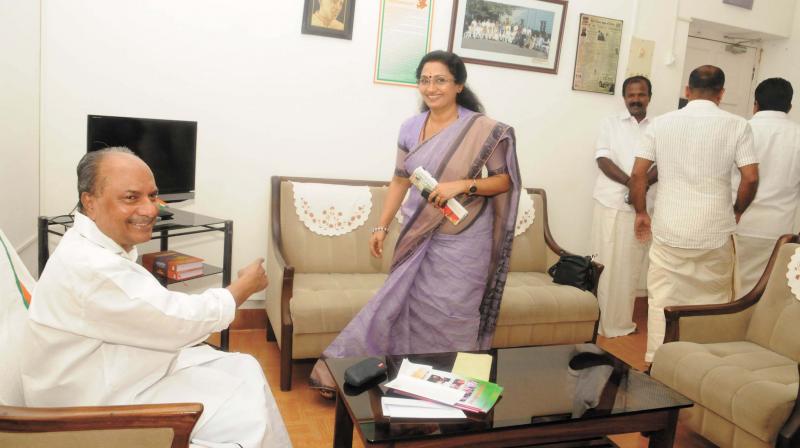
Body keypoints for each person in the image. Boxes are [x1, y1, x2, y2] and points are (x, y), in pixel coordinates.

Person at [21, 148, 292, 448]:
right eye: (131, 197)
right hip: (90, 409)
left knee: (245, 368)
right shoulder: (93, 267)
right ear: (90, 202)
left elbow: (157, 314)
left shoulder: (91, 246)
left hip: (114, 376)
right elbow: (178, 320)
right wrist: (242, 287)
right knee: (245, 416)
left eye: (152, 196)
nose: (150, 209)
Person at [309, 50, 521, 397]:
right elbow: (399, 180)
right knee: (403, 305)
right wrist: (381, 226)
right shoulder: (410, 127)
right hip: (418, 231)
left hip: (465, 239)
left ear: (458, 85)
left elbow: (502, 181)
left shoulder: (480, 128)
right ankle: (407, 381)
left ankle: (453, 388)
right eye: (424, 79)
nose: (431, 87)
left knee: (454, 312)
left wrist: (461, 185)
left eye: (440, 80)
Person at [629, 65, 759, 363]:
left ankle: (657, 361)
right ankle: (700, 364)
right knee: (711, 300)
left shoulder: (660, 124)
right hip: (715, 228)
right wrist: (737, 210)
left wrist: (641, 212)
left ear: (687, 91)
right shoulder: (738, 125)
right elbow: (750, 177)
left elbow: (638, 174)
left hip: (670, 226)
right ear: (721, 93)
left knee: (662, 297)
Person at [591, 76, 657, 338]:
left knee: (630, 268)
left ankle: (620, 323)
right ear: (624, 97)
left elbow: (662, 164)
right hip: (609, 202)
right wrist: (634, 185)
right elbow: (602, 159)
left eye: (641, 95)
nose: (636, 100)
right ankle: (600, 322)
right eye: (631, 95)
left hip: (641, 209)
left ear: (649, 97)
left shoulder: (659, 127)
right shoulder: (610, 124)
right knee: (604, 263)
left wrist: (640, 187)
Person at [734, 78, 800, 293]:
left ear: (756, 103)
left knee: (731, 289)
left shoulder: (739, 129)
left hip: (738, 223)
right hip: (779, 229)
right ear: (789, 106)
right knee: (767, 294)